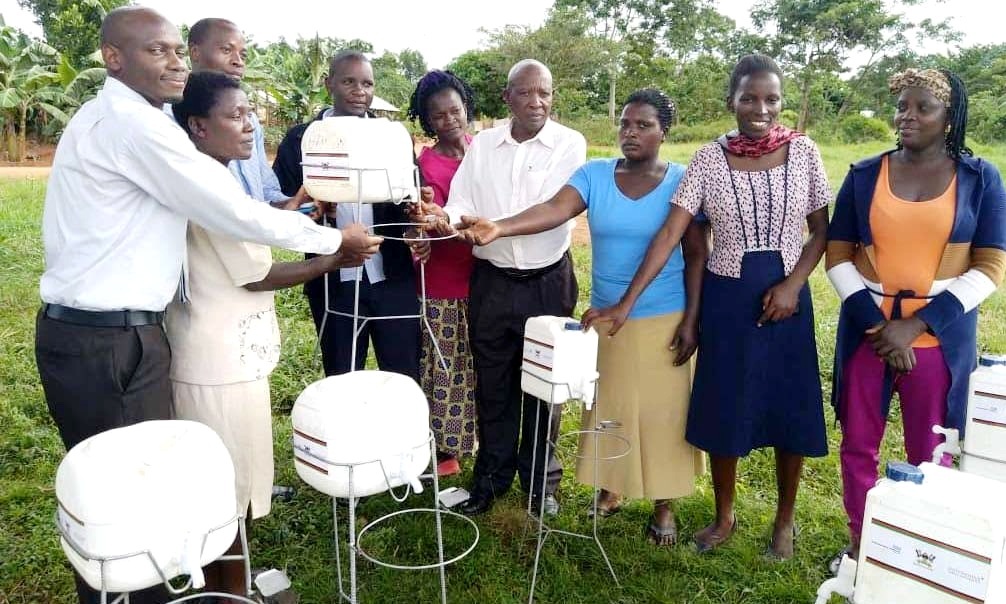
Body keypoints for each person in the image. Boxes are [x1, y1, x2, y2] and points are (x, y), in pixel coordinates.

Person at [34, 8, 379, 604]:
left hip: (120, 333)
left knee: (135, 494)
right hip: (107, 338)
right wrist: (334, 243)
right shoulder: (133, 127)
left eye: (175, 50)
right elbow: (232, 210)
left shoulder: (123, 120)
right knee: (127, 504)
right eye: (155, 51)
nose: (173, 61)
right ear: (113, 58)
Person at [586, 55, 830, 559]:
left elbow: (822, 231)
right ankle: (724, 516)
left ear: (781, 102)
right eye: (748, 98)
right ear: (731, 101)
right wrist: (626, 303)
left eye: (771, 98)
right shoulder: (708, 159)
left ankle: (784, 521)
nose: (760, 108)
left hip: (787, 297)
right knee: (725, 406)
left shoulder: (804, 152)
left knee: (790, 408)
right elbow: (672, 232)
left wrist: (793, 285)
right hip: (727, 297)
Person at [457, 89, 707, 544]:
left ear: (664, 131)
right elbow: (555, 210)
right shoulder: (595, 174)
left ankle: (664, 503)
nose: (631, 133)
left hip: (663, 315)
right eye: (626, 124)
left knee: (661, 412)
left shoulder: (682, 180)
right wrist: (501, 226)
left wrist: (692, 319)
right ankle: (613, 488)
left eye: (644, 125)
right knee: (610, 407)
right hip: (606, 317)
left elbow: (694, 255)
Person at [168, 70, 370, 599]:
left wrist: (304, 214)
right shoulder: (205, 183)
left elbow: (261, 224)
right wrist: (336, 256)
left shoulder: (215, 176)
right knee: (226, 490)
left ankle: (229, 581)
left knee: (237, 479)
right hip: (216, 362)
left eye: (250, 114)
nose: (250, 126)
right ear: (197, 126)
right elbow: (257, 272)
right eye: (235, 116)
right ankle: (230, 591)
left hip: (232, 353)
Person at [825, 68, 1006, 572]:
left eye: (922, 107)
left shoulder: (980, 178)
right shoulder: (864, 175)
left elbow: (991, 265)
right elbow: (837, 256)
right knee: (859, 442)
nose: (908, 116)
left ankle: (923, 543)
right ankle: (863, 543)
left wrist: (919, 325)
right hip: (868, 335)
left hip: (938, 341)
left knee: (932, 447)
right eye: (902, 106)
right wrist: (880, 326)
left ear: (949, 118)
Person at [420, 59, 587, 517]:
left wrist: (498, 227)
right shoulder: (485, 145)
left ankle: (540, 484)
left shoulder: (569, 143)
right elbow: (462, 203)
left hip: (547, 282)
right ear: (507, 98)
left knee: (543, 384)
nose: (538, 102)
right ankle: (491, 480)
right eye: (528, 93)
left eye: (546, 93)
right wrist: (445, 220)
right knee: (493, 383)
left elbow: (557, 208)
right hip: (491, 283)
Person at [274, 50, 420, 380]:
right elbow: (282, 202)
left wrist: (418, 211)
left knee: (403, 375)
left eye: (367, 83)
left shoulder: (390, 137)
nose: (359, 91)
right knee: (342, 376)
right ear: (329, 84)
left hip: (392, 276)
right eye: (349, 81)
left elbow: (411, 192)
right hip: (331, 280)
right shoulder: (302, 139)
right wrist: (314, 206)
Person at [406, 70, 479, 477]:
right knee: (445, 365)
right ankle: (447, 449)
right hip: (443, 280)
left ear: (466, 107)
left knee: (478, 362)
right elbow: (417, 218)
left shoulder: (484, 151)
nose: (449, 120)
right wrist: (424, 227)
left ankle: (476, 435)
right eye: (438, 116)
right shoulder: (425, 165)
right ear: (427, 121)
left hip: (487, 274)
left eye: (455, 110)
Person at [188, 17, 298, 209]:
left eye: (243, 55)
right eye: (226, 50)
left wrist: (297, 204)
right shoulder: (167, 120)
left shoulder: (251, 121)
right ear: (195, 52)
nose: (238, 62)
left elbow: (265, 192)